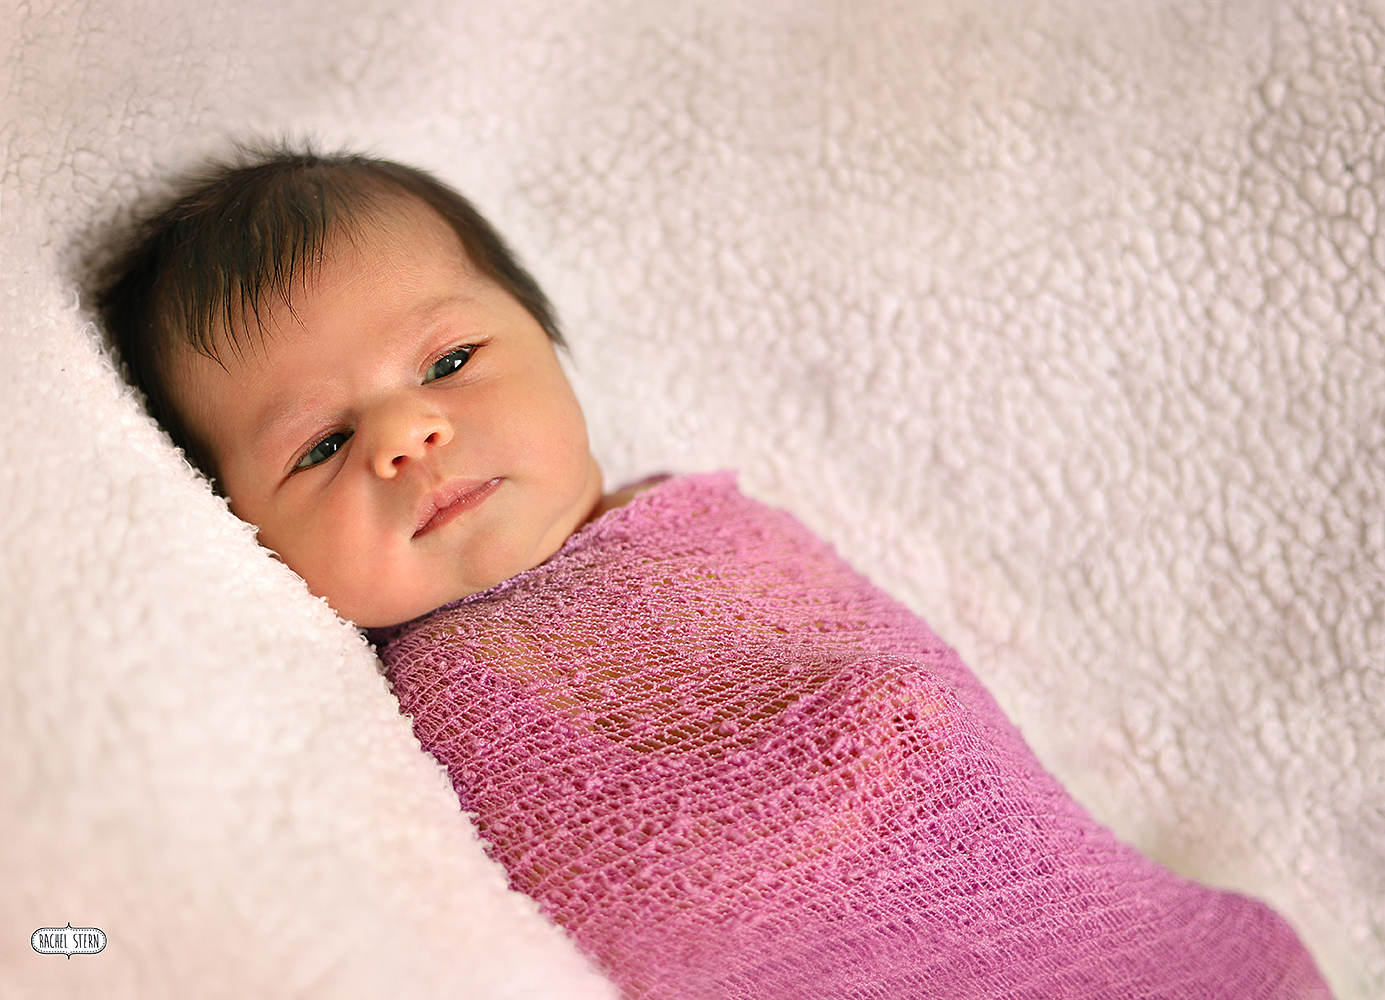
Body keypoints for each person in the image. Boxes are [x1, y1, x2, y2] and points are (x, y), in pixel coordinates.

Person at [97, 146, 1333, 999]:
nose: (406, 436)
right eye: (320, 446)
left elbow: (902, 700)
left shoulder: (703, 533)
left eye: (449, 361)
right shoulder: (368, 709)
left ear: (552, 350)